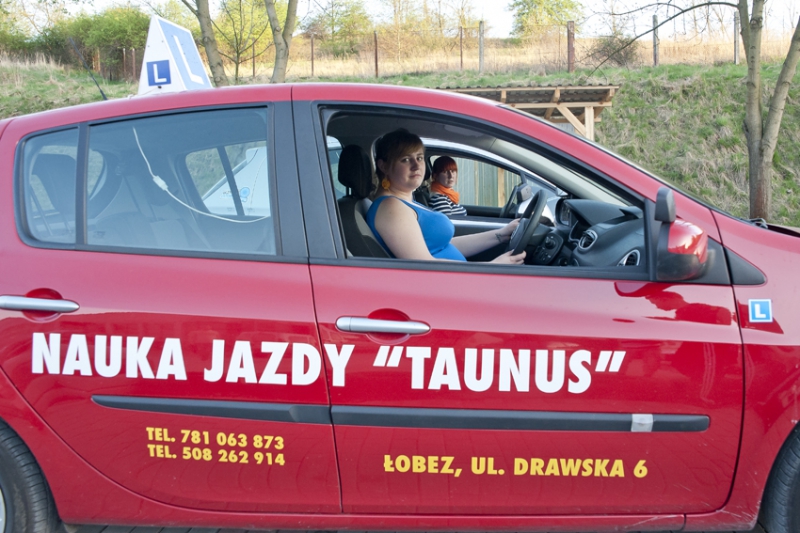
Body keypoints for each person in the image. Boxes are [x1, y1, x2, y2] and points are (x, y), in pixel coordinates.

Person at [366, 129, 525, 264]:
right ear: (383, 166)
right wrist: (493, 267)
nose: (416, 165)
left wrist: (501, 234)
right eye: (405, 159)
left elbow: (443, 246)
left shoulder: (405, 201)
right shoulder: (391, 208)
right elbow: (423, 265)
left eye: (419, 157)